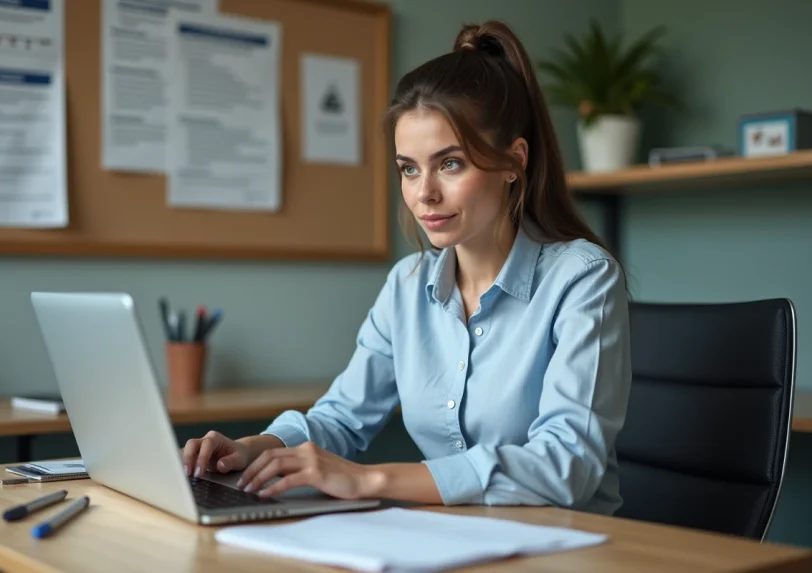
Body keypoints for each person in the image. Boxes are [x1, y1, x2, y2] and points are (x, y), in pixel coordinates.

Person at [182, 20, 632, 515]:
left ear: (513, 162)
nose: (424, 193)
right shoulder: (407, 284)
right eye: (409, 169)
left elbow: (567, 465)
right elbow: (341, 417)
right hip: (451, 538)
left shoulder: (583, 278)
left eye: (450, 163)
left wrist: (367, 479)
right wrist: (254, 448)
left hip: (573, 544)